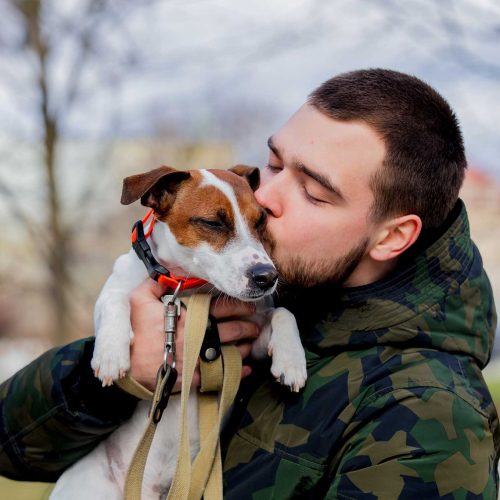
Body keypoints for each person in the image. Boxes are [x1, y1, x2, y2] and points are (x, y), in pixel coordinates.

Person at [0, 68, 498, 498]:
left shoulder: (427, 418)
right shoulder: (228, 292)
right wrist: (113, 377)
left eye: (313, 191)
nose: (264, 195)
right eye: (275, 164)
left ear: (392, 236)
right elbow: (9, 449)